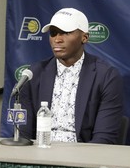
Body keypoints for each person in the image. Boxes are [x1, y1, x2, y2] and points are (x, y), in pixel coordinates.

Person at [19, 8, 123, 144]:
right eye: (53, 33)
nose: (57, 39)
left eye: (66, 33)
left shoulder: (106, 76)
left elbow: (104, 139)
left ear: (84, 37)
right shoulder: (34, 73)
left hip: (84, 157)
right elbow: (23, 134)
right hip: (40, 154)